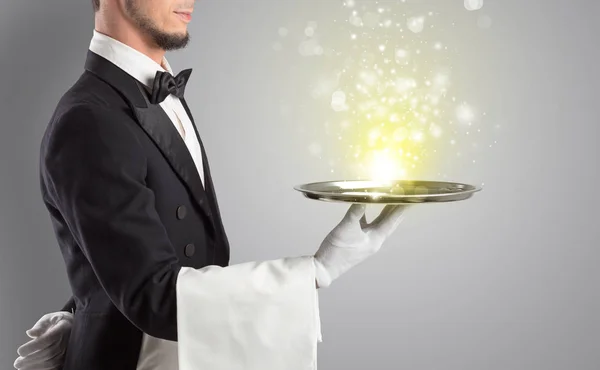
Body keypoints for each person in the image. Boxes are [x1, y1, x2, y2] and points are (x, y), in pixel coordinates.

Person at [13, 0, 408, 369]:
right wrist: (317, 271)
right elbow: (154, 297)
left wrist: (84, 310)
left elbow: (132, 250)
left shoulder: (155, 91)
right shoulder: (90, 120)